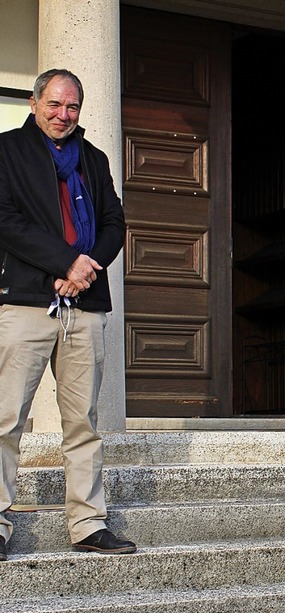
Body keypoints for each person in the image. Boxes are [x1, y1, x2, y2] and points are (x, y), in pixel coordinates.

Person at [0, 69, 135, 561]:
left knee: (83, 422)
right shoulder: (7, 150)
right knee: (5, 418)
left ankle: (88, 523)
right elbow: (6, 221)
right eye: (54, 104)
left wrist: (84, 268)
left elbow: (114, 222)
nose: (63, 115)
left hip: (85, 304)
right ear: (35, 103)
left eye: (72, 106)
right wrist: (65, 262)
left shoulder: (94, 158)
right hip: (26, 302)